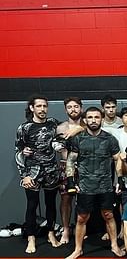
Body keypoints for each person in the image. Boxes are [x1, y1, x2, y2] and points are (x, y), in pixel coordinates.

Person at [64, 107, 125, 259]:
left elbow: (118, 159)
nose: (93, 120)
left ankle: (114, 246)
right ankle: (78, 249)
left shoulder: (110, 139)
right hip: (85, 186)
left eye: (96, 117)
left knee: (109, 215)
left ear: (101, 119)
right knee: (81, 218)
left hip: (105, 185)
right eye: (90, 117)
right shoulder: (78, 139)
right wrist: (71, 181)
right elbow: (71, 160)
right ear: (85, 120)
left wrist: (120, 180)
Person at [15, 96, 61, 253]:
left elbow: (69, 127)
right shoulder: (24, 128)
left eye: (45, 106)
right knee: (32, 205)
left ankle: (51, 233)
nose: (42, 109)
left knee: (50, 204)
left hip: (51, 171)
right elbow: (18, 153)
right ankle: (31, 238)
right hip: (33, 173)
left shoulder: (53, 123)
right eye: (39, 106)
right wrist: (24, 176)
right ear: (32, 108)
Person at [56, 96, 84, 244]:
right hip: (65, 166)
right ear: (66, 110)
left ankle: (81, 228)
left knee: (84, 200)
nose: (73, 109)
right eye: (70, 107)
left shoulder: (87, 124)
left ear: (81, 107)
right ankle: (66, 229)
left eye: (76, 106)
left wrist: (79, 129)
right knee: (66, 199)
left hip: (85, 166)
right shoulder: (60, 128)